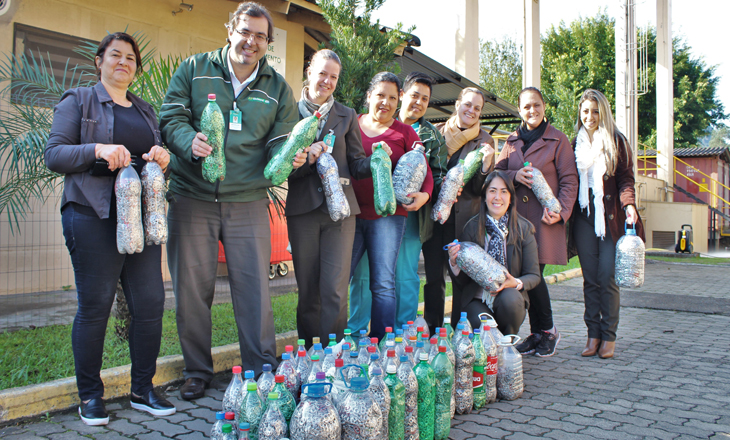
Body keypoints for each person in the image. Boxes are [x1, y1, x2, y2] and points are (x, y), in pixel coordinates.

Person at [159, 2, 300, 400]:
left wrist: (291, 155)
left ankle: (261, 370)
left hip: (248, 199)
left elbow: (281, 139)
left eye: (260, 36)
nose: (251, 42)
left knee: (254, 290)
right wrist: (189, 142)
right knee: (192, 290)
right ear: (230, 30)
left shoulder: (276, 87)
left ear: (267, 43)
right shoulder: (194, 68)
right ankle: (197, 371)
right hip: (192, 196)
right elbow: (170, 117)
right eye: (245, 32)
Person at [45, 32, 175, 425]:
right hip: (92, 215)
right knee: (95, 307)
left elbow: (159, 154)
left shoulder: (146, 111)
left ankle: (142, 389)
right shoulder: (79, 100)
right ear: (99, 60)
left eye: (131, 58)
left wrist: (163, 157)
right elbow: (54, 154)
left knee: (151, 304)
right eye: (115, 55)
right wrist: (98, 150)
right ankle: (90, 397)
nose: (123, 62)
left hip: (141, 218)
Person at [349, 72, 448, 330]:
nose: (385, 102)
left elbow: (424, 167)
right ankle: (352, 337)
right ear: (369, 96)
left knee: (383, 283)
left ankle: (382, 344)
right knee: (351, 279)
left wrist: (425, 194)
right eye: (380, 95)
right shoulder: (352, 124)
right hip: (350, 214)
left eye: (392, 97)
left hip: (388, 218)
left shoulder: (404, 132)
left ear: (398, 100)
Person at [285, 49, 371, 347]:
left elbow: (357, 164)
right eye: (322, 73)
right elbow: (281, 168)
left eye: (333, 77)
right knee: (308, 289)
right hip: (303, 210)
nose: (327, 81)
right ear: (309, 71)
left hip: (341, 214)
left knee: (334, 289)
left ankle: (335, 355)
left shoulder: (347, 115)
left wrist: (376, 162)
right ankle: (310, 353)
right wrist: (307, 159)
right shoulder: (289, 113)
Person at [495, 86, 578, 357]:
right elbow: (498, 173)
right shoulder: (510, 141)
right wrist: (514, 175)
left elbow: (569, 179)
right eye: (526, 106)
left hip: (543, 222)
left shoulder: (559, 140)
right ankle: (538, 332)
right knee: (525, 276)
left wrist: (561, 211)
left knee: (535, 276)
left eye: (536, 104)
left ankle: (548, 330)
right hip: (516, 222)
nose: (532, 110)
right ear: (519, 110)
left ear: (544, 106)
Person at [569, 89, 644, 359]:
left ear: (604, 112)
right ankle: (593, 335)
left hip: (611, 218)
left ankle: (609, 335)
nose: (590, 116)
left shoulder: (617, 142)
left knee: (606, 277)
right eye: (586, 111)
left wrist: (629, 204)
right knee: (590, 279)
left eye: (595, 111)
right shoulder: (573, 144)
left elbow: (626, 179)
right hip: (583, 218)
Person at [428, 87, 496, 331]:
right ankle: (433, 332)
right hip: (436, 218)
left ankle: (461, 333)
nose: (471, 111)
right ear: (457, 104)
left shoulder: (485, 141)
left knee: (461, 279)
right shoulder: (436, 134)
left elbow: (481, 189)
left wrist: (487, 166)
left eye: (477, 108)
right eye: (468, 104)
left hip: (464, 221)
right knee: (435, 278)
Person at [447, 171, 541, 334]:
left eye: (504, 191)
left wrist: (515, 283)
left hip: (509, 297)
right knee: (484, 329)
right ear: (484, 196)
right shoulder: (471, 228)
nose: (497, 197)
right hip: (477, 299)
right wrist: (454, 263)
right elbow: (462, 282)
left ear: (511, 197)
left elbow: (534, 275)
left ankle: (507, 340)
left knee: (510, 301)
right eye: (492, 191)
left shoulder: (523, 229)